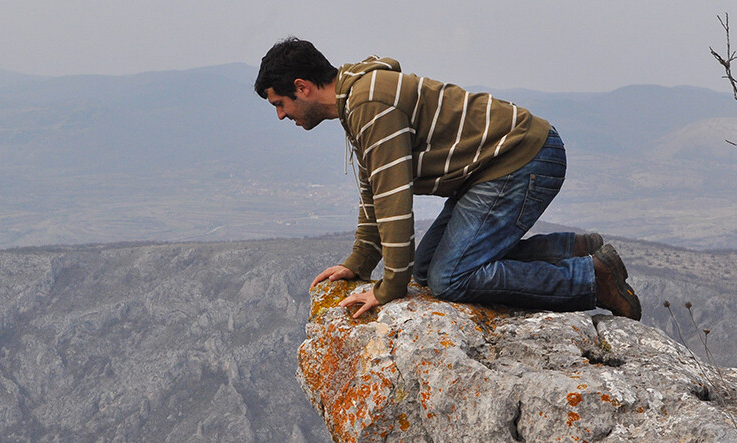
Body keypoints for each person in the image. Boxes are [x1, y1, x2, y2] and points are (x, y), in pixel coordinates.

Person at [254, 37, 641, 321]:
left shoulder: (369, 103)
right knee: (425, 270)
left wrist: (388, 286)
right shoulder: (359, 101)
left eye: (280, 104)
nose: (281, 116)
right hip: (493, 167)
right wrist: (361, 261)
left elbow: (393, 199)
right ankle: (568, 250)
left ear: (302, 88)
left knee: (450, 278)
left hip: (523, 158)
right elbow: (374, 186)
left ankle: (590, 278)